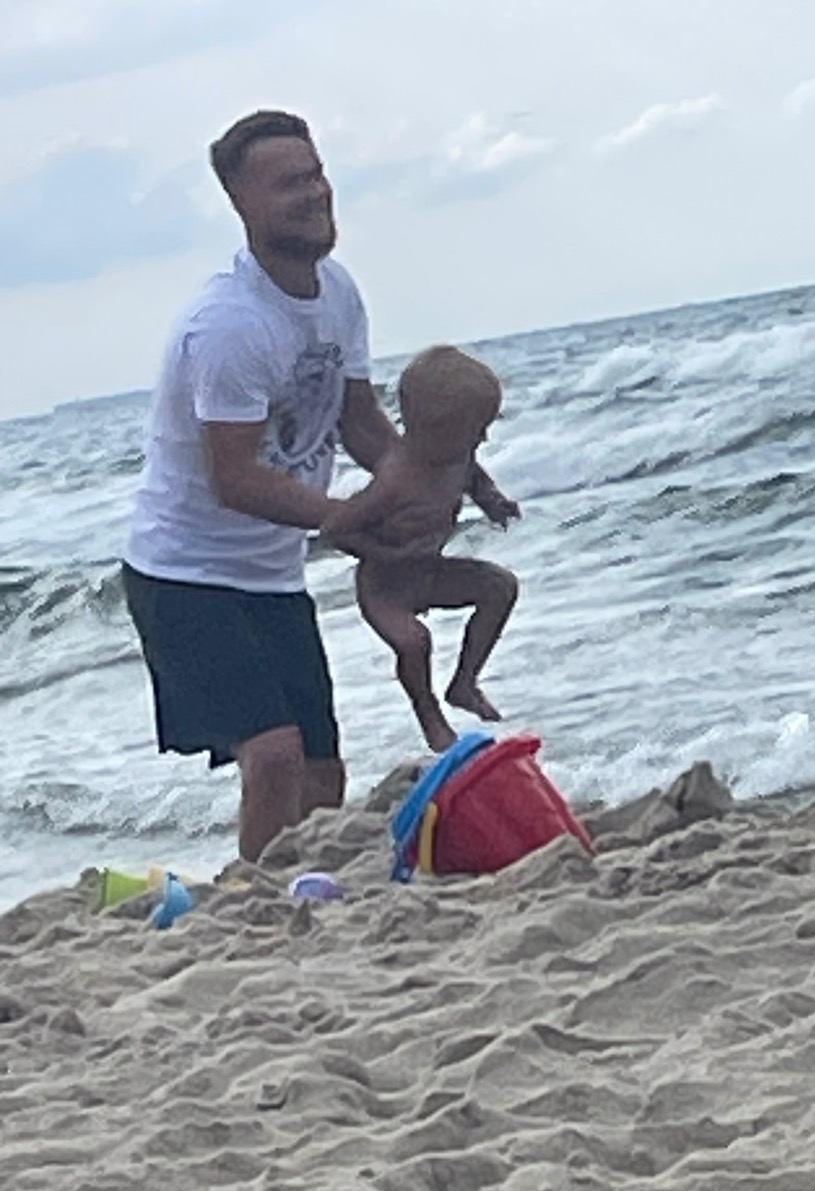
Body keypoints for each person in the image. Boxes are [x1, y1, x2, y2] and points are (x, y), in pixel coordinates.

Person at [120, 108, 517, 861]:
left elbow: (357, 417)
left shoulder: (336, 293)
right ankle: (256, 903)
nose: (313, 193)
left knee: (323, 771)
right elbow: (235, 478)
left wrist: (424, 488)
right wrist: (345, 516)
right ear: (242, 203)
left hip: (270, 578)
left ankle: (297, 889)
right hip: (183, 575)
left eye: (316, 174)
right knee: (271, 755)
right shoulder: (230, 326)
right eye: (288, 184)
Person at [332, 345, 521, 753]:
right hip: (385, 587)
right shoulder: (397, 478)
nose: (484, 437)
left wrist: (493, 501)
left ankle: (465, 682)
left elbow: (474, 478)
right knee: (414, 642)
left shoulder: (457, 459)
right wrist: (385, 555)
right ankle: (428, 711)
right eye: (476, 429)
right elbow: (336, 530)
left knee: (500, 586)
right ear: (439, 430)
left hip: (428, 572)